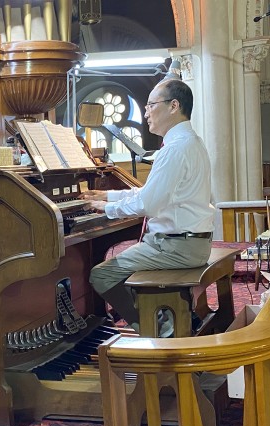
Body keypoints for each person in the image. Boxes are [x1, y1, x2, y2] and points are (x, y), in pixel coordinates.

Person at [79, 79, 215, 335]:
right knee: (125, 276)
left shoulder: (175, 149)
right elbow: (149, 193)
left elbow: (148, 203)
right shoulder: (190, 142)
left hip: (177, 247)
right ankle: (169, 318)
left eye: (151, 104)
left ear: (174, 106)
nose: (146, 111)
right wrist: (107, 197)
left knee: (102, 276)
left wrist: (104, 209)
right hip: (190, 242)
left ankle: (159, 331)